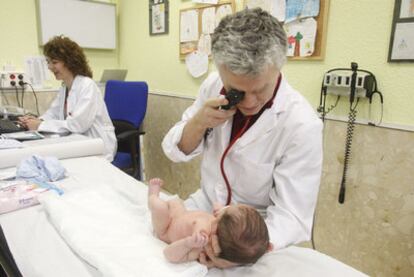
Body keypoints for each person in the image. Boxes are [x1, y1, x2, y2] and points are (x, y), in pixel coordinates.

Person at [162, 8, 323, 268]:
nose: (248, 102)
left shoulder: (301, 125)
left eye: (259, 90)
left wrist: (234, 250)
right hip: (203, 209)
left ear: (278, 68)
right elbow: (173, 150)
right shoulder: (213, 86)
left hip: (253, 237)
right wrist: (199, 122)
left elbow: (292, 216)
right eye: (236, 91)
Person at [18, 36, 116, 161]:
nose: (49, 67)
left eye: (54, 62)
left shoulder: (87, 85)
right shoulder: (65, 87)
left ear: (69, 61)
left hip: (97, 146)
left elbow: (78, 125)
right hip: (78, 143)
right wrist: (35, 120)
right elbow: (52, 113)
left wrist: (40, 125)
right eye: (48, 62)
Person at [147, 178, 272, 265]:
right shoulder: (220, 225)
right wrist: (219, 209)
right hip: (181, 213)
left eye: (227, 209)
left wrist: (187, 243)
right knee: (177, 202)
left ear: (217, 226)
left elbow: (169, 255)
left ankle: (152, 195)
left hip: (166, 229)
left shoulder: (200, 245)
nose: (226, 207)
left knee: (160, 207)